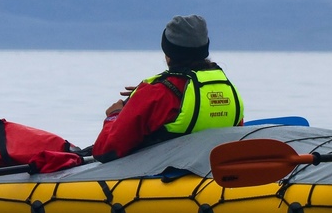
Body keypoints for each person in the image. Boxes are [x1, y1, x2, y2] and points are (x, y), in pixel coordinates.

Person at [90, 15, 244, 162]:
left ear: (168, 51)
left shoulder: (156, 94)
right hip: (209, 169)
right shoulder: (228, 89)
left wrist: (114, 115)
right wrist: (146, 96)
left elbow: (105, 151)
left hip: (164, 172)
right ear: (204, 49)